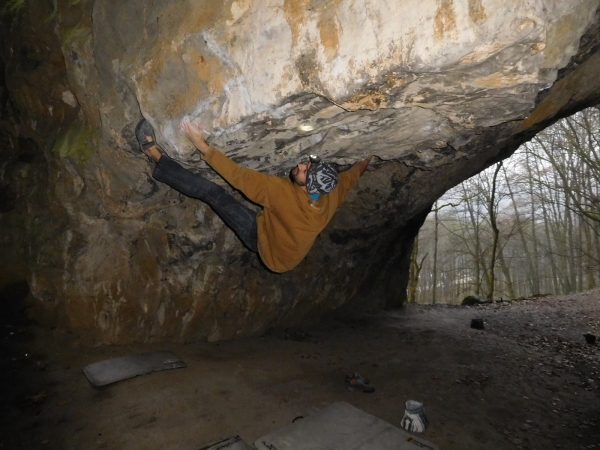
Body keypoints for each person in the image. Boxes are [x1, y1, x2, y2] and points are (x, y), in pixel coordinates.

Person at [135, 117, 372, 273]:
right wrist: (367, 157)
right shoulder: (331, 192)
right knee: (254, 206)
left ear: (310, 188)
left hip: (267, 247)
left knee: (214, 192)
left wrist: (202, 145)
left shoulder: (281, 194)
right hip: (286, 244)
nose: (300, 165)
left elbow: (239, 177)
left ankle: (157, 157)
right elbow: (352, 176)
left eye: (303, 171)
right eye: (306, 165)